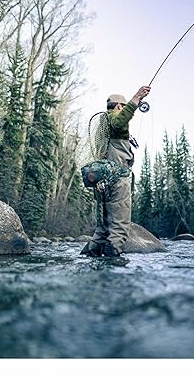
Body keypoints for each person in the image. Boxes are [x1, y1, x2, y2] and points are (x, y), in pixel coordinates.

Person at [81, 85, 151, 264]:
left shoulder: (103, 126)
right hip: (117, 180)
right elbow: (119, 122)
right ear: (119, 106)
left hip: (102, 181)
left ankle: (91, 260)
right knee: (119, 227)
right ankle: (113, 267)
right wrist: (136, 99)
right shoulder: (114, 120)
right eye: (124, 107)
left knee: (104, 228)